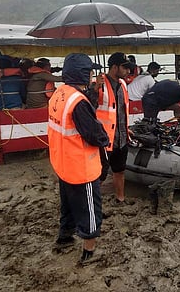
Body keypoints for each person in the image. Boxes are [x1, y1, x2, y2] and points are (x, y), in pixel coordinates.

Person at [48, 53, 109, 265]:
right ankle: (89, 251)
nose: (93, 75)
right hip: (81, 167)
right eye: (91, 72)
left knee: (68, 204)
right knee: (90, 209)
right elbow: (93, 135)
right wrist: (104, 135)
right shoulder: (78, 102)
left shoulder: (60, 94)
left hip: (62, 163)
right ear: (84, 74)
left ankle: (65, 237)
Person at [94, 52, 134, 203]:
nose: (128, 71)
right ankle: (94, 202)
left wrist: (125, 128)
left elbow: (122, 110)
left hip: (121, 137)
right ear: (114, 67)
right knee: (100, 173)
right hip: (105, 139)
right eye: (125, 68)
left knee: (120, 170)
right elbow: (89, 106)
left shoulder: (123, 84)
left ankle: (120, 198)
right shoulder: (99, 84)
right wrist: (94, 88)